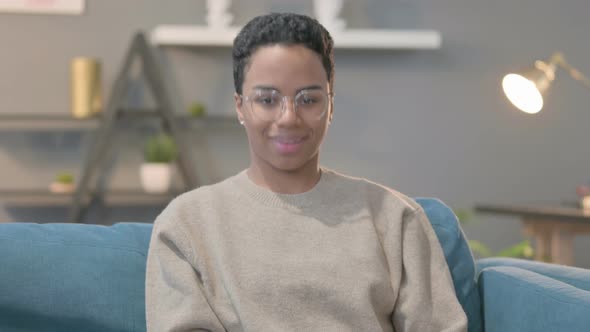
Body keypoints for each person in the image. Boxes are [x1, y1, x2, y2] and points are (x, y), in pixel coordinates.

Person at [146, 12, 467, 332]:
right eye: (267, 99)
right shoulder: (186, 224)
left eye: (308, 99)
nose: (288, 118)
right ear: (240, 106)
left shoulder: (396, 218)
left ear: (331, 106)